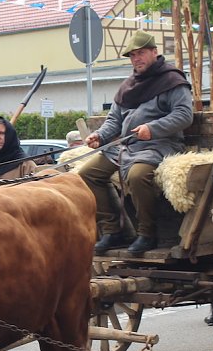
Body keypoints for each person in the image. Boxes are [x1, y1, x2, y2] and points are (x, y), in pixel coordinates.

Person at [79, 29, 194, 256]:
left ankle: (147, 233)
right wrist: (100, 136)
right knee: (87, 174)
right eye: (132, 55)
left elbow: (184, 115)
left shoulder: (173, 81)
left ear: (154, 52)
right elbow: (114, 120)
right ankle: (112, 230)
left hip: (160, 145)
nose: (136, 59)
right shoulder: (128, 86)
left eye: (140, 53)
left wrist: (153, 129)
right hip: (127, 147)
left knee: (137, 175)